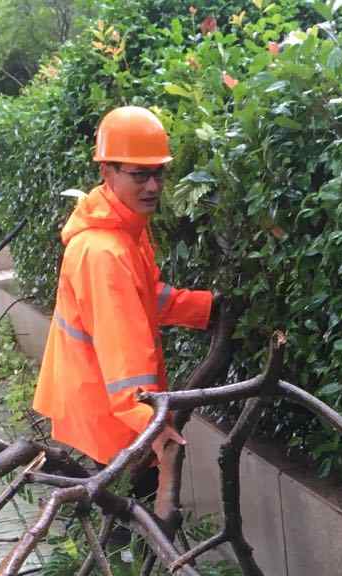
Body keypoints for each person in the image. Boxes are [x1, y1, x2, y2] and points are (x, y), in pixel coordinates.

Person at [33, 105, 215, 504]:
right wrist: (152, 425)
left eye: (158, 173)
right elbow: (123, 353)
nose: (152, 186)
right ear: (107, 171)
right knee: (128, 518)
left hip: (98, 406)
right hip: (108, 418)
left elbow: (146, 297)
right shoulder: (105, 252)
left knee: (125, 515)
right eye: (139, 175)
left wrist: (207, 309)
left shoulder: (122, 230)